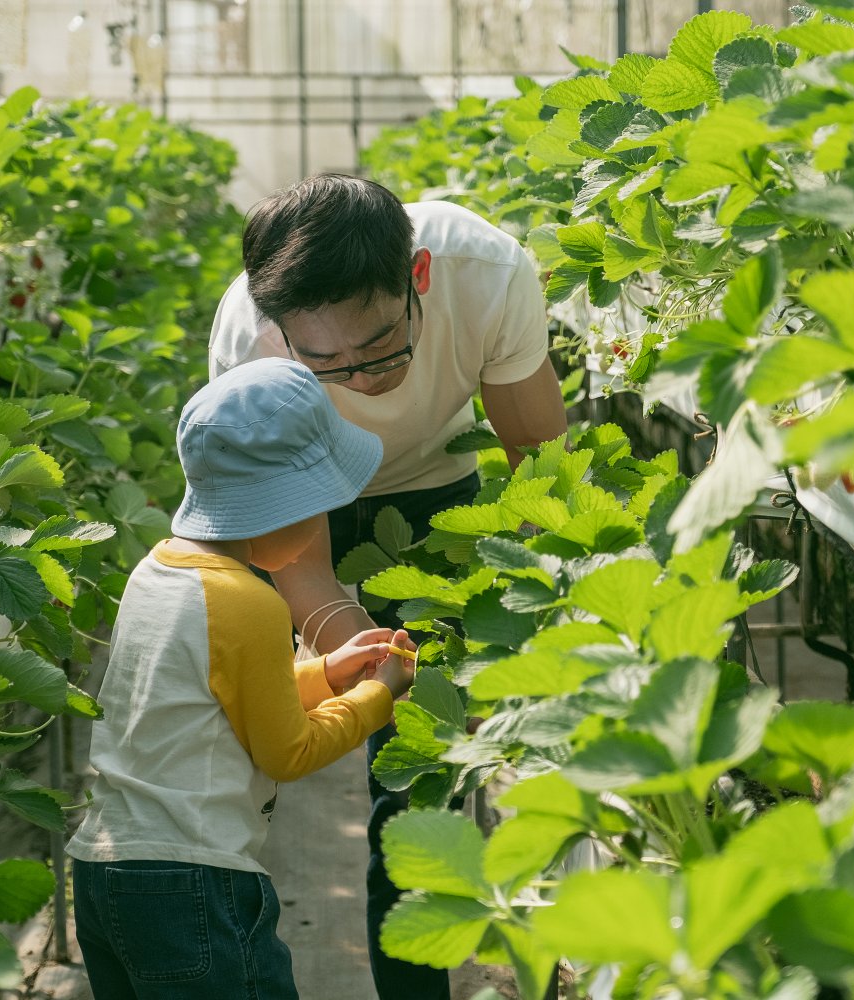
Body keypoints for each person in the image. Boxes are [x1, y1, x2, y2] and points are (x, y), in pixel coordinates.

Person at [209, 174, 567, 999]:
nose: (363, 380)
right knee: (400, 758)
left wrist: (543, 632)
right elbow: (292, 549)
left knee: (420, 784)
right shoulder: (247, 343)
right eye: (326, 363)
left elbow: (538, 463)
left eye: (382, 349)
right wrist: (366, 660)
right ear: (280, 332)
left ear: (421, 279)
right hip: (311, 500)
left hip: (441, 494)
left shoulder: (487, 270)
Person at [66, 358, 417, 1000]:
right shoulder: (254, 605)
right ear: (278, 506)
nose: (323, 532)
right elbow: (288, 750)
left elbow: (212, 698)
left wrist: (327, 673)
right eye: (320, 510)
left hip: (104, 869)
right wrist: (377, 695)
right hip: (194, 885)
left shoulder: (157, 573)